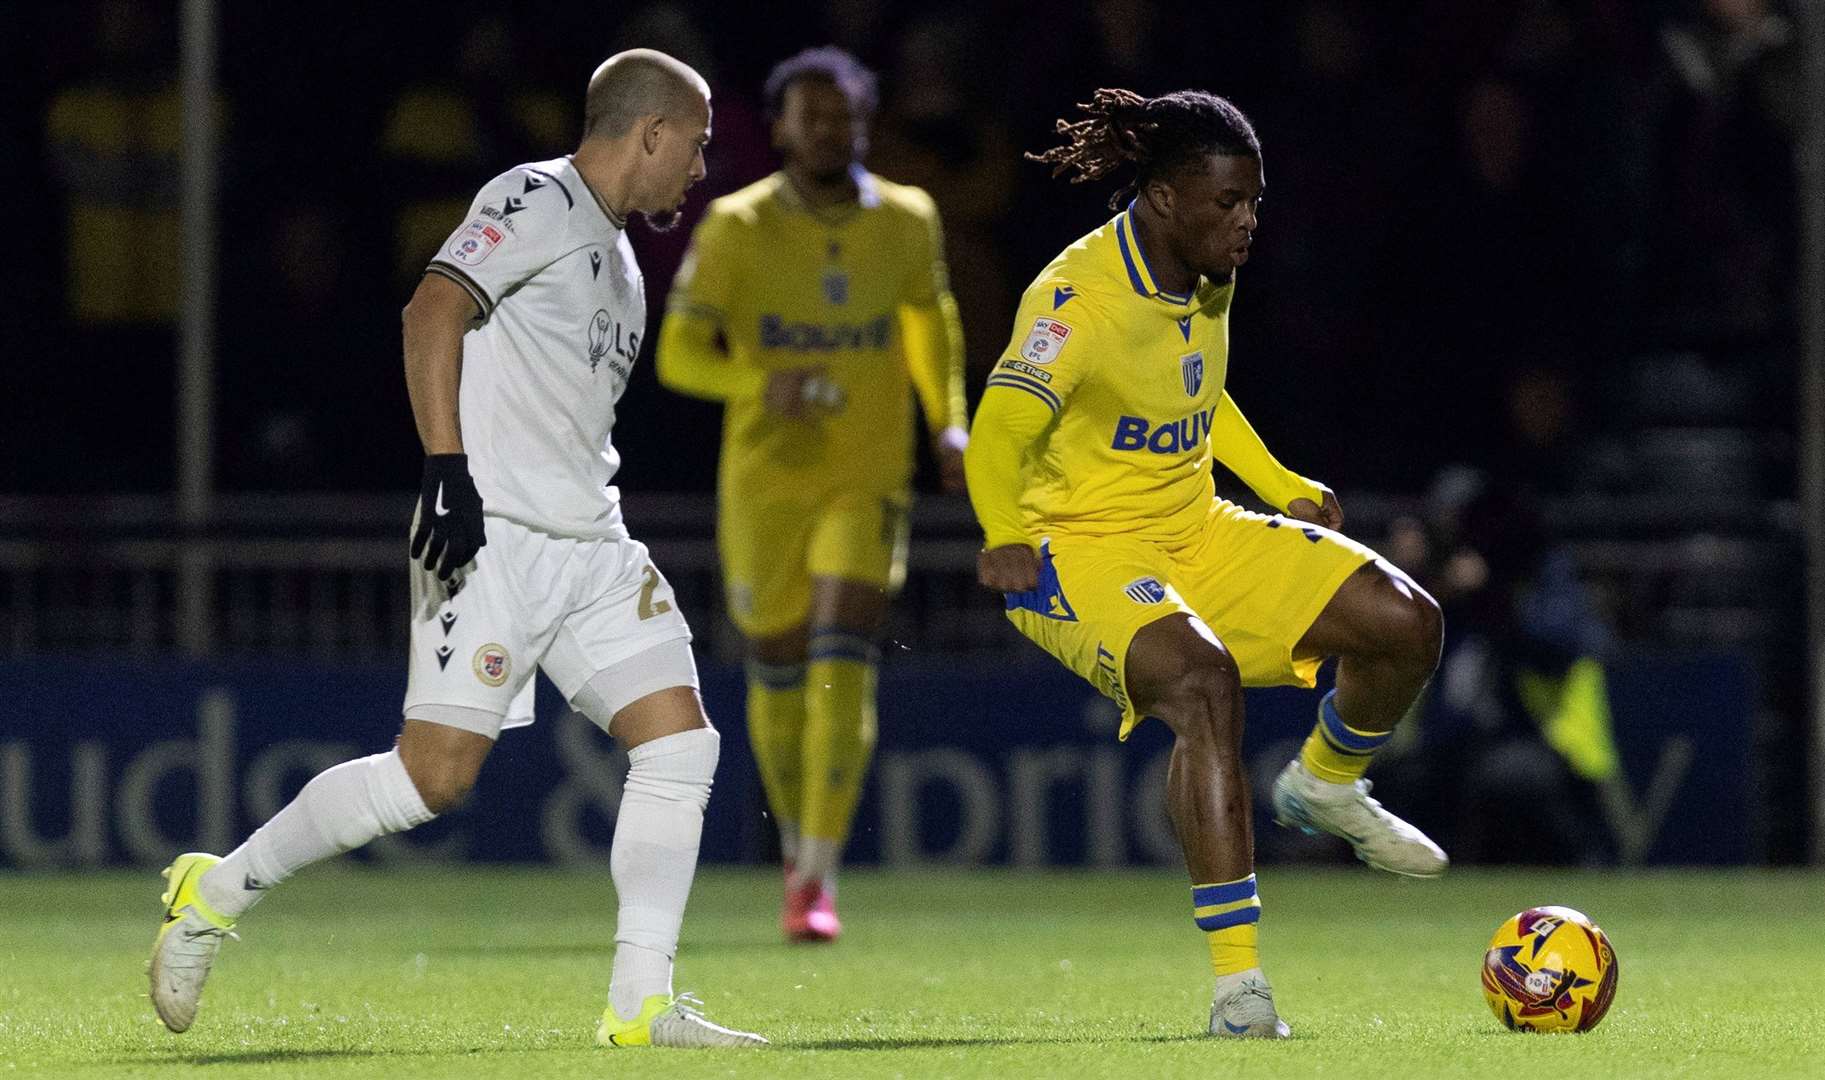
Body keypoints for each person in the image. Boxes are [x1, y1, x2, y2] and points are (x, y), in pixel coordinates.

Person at [148, 49, 766, 1050]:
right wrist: (447, 470)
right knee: (431, 780)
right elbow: (431, 308)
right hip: (491, 537)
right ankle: (214, 891)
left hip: (592, 546)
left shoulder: (619, 264)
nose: (701, 168)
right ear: (649, 132)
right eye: (695, 145)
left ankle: (639, 1005)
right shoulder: (536, 196)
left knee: (682, 742)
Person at [965, 88, 1447, 1038]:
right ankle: (1239, 990)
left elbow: (1193, 393)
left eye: (1253, 202)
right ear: (1159, 196)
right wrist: (1002, 533)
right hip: (1074, 548)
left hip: (1197, 525)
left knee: (1406, 623)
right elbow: (1000, 428)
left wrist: (1275, 480)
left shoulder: (1203, 270)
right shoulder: (1076, 299)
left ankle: (1325, 782)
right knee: (1200, 682)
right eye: (1225, 204)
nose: (1245, 223)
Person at [657, 47, 967, 943]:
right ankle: (798, 857)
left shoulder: (907, 219)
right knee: (781, 676)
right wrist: (761, 384)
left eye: (845, 115)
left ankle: (821, 873)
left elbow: (928, 318)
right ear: (781, 125)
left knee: (841, 659)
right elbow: (678, 357)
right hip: (765, 485)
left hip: (864, 476)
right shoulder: (736, 226)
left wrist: (948, 421)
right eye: (811, 115)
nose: (828, 128)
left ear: (864, 124)